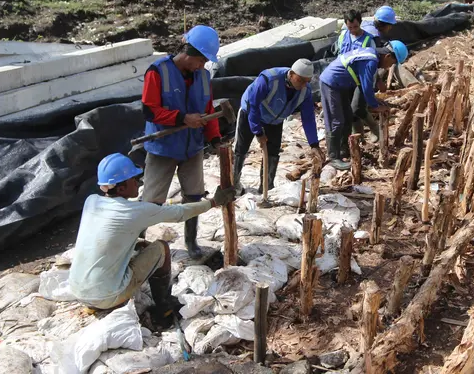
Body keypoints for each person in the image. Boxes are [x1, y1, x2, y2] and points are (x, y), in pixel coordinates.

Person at [68, 153, 235, 327]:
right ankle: (163, 306)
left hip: (78, 290)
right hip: (107, 296)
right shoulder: (135, 211)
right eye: (133, 179)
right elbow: (180, 213)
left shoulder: (91, 201)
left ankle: (98, 298)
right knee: (161, 248)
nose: (138, 182)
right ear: (121, 188)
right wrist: (214, 202)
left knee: (141, 245)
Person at [140, 25, 222, 260]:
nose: (202, 66)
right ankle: (138, 241)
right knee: (152, 200)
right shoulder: (158, 72)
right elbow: (149, 110)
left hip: (193, 147)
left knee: (194, 196)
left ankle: (191, 241)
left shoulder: (204, 77)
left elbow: (207, 110)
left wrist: (214, 138)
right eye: (200, 60)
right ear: (188, 53)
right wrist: (181, 118)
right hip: (163, 148)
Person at [233, 59, 325, 194]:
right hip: (251, 113)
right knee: (241, 149)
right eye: (300, 80)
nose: (303, 85)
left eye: (307, 81)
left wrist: (314, 144)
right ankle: (233, 185)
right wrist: (258, 132)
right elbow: (253, 104)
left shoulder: (305, 91)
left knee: (272, 153)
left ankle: (266, 188)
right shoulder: (269, 79)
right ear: (291, 74)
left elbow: (308, 118)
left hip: (275, 120)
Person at [318, 41, 408, 170]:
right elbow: (366, 87)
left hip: (341, 84)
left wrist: (375, 101)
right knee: (336, 120)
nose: (389, 67)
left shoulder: (371, 55)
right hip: (331, 83)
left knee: (347, 116)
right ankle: (333, 157)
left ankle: (344, 151)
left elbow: (365, 86)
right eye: (392, 63)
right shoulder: (371, 60)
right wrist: (375, 106)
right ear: (388, 56)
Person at [349, 6, 398, 144]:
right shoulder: (373, 36)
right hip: (357, 73)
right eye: (390, 26)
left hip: (353, 70)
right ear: (384, 24)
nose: (390, 29)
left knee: (355, 107)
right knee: (358, 107)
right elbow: (369, 62)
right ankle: (373, 131)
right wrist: (377, 81)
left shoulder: (366, 27)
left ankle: (359, 137)